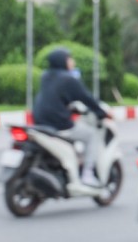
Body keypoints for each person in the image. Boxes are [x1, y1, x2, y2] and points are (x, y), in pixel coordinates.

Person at [33, 47, 112, 188]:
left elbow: (56, 97)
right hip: (59, 124)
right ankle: (87, 174)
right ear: (62, 61)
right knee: (92, 135)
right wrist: (102, 113)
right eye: (69, 59)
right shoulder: (68, 79)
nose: (72, 62)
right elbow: (86, 98)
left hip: (39, 123)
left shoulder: (45, 76)